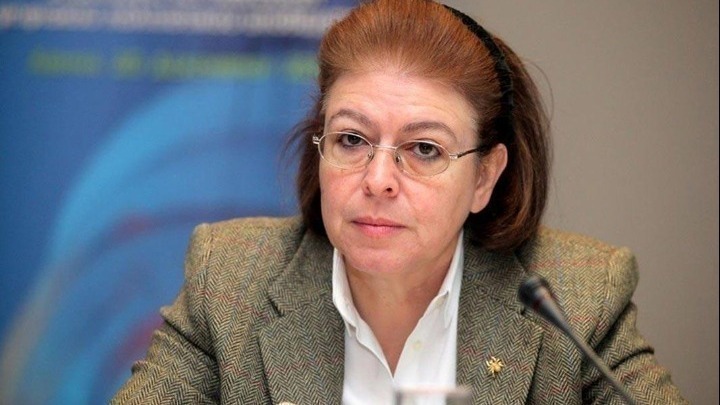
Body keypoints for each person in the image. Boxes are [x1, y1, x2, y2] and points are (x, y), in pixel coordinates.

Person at [112, 0, 688, 403]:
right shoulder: (231, 280)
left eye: (425, 149)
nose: (379, 180)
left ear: (484, 177)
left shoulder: (576, 298)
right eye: (352, 140)